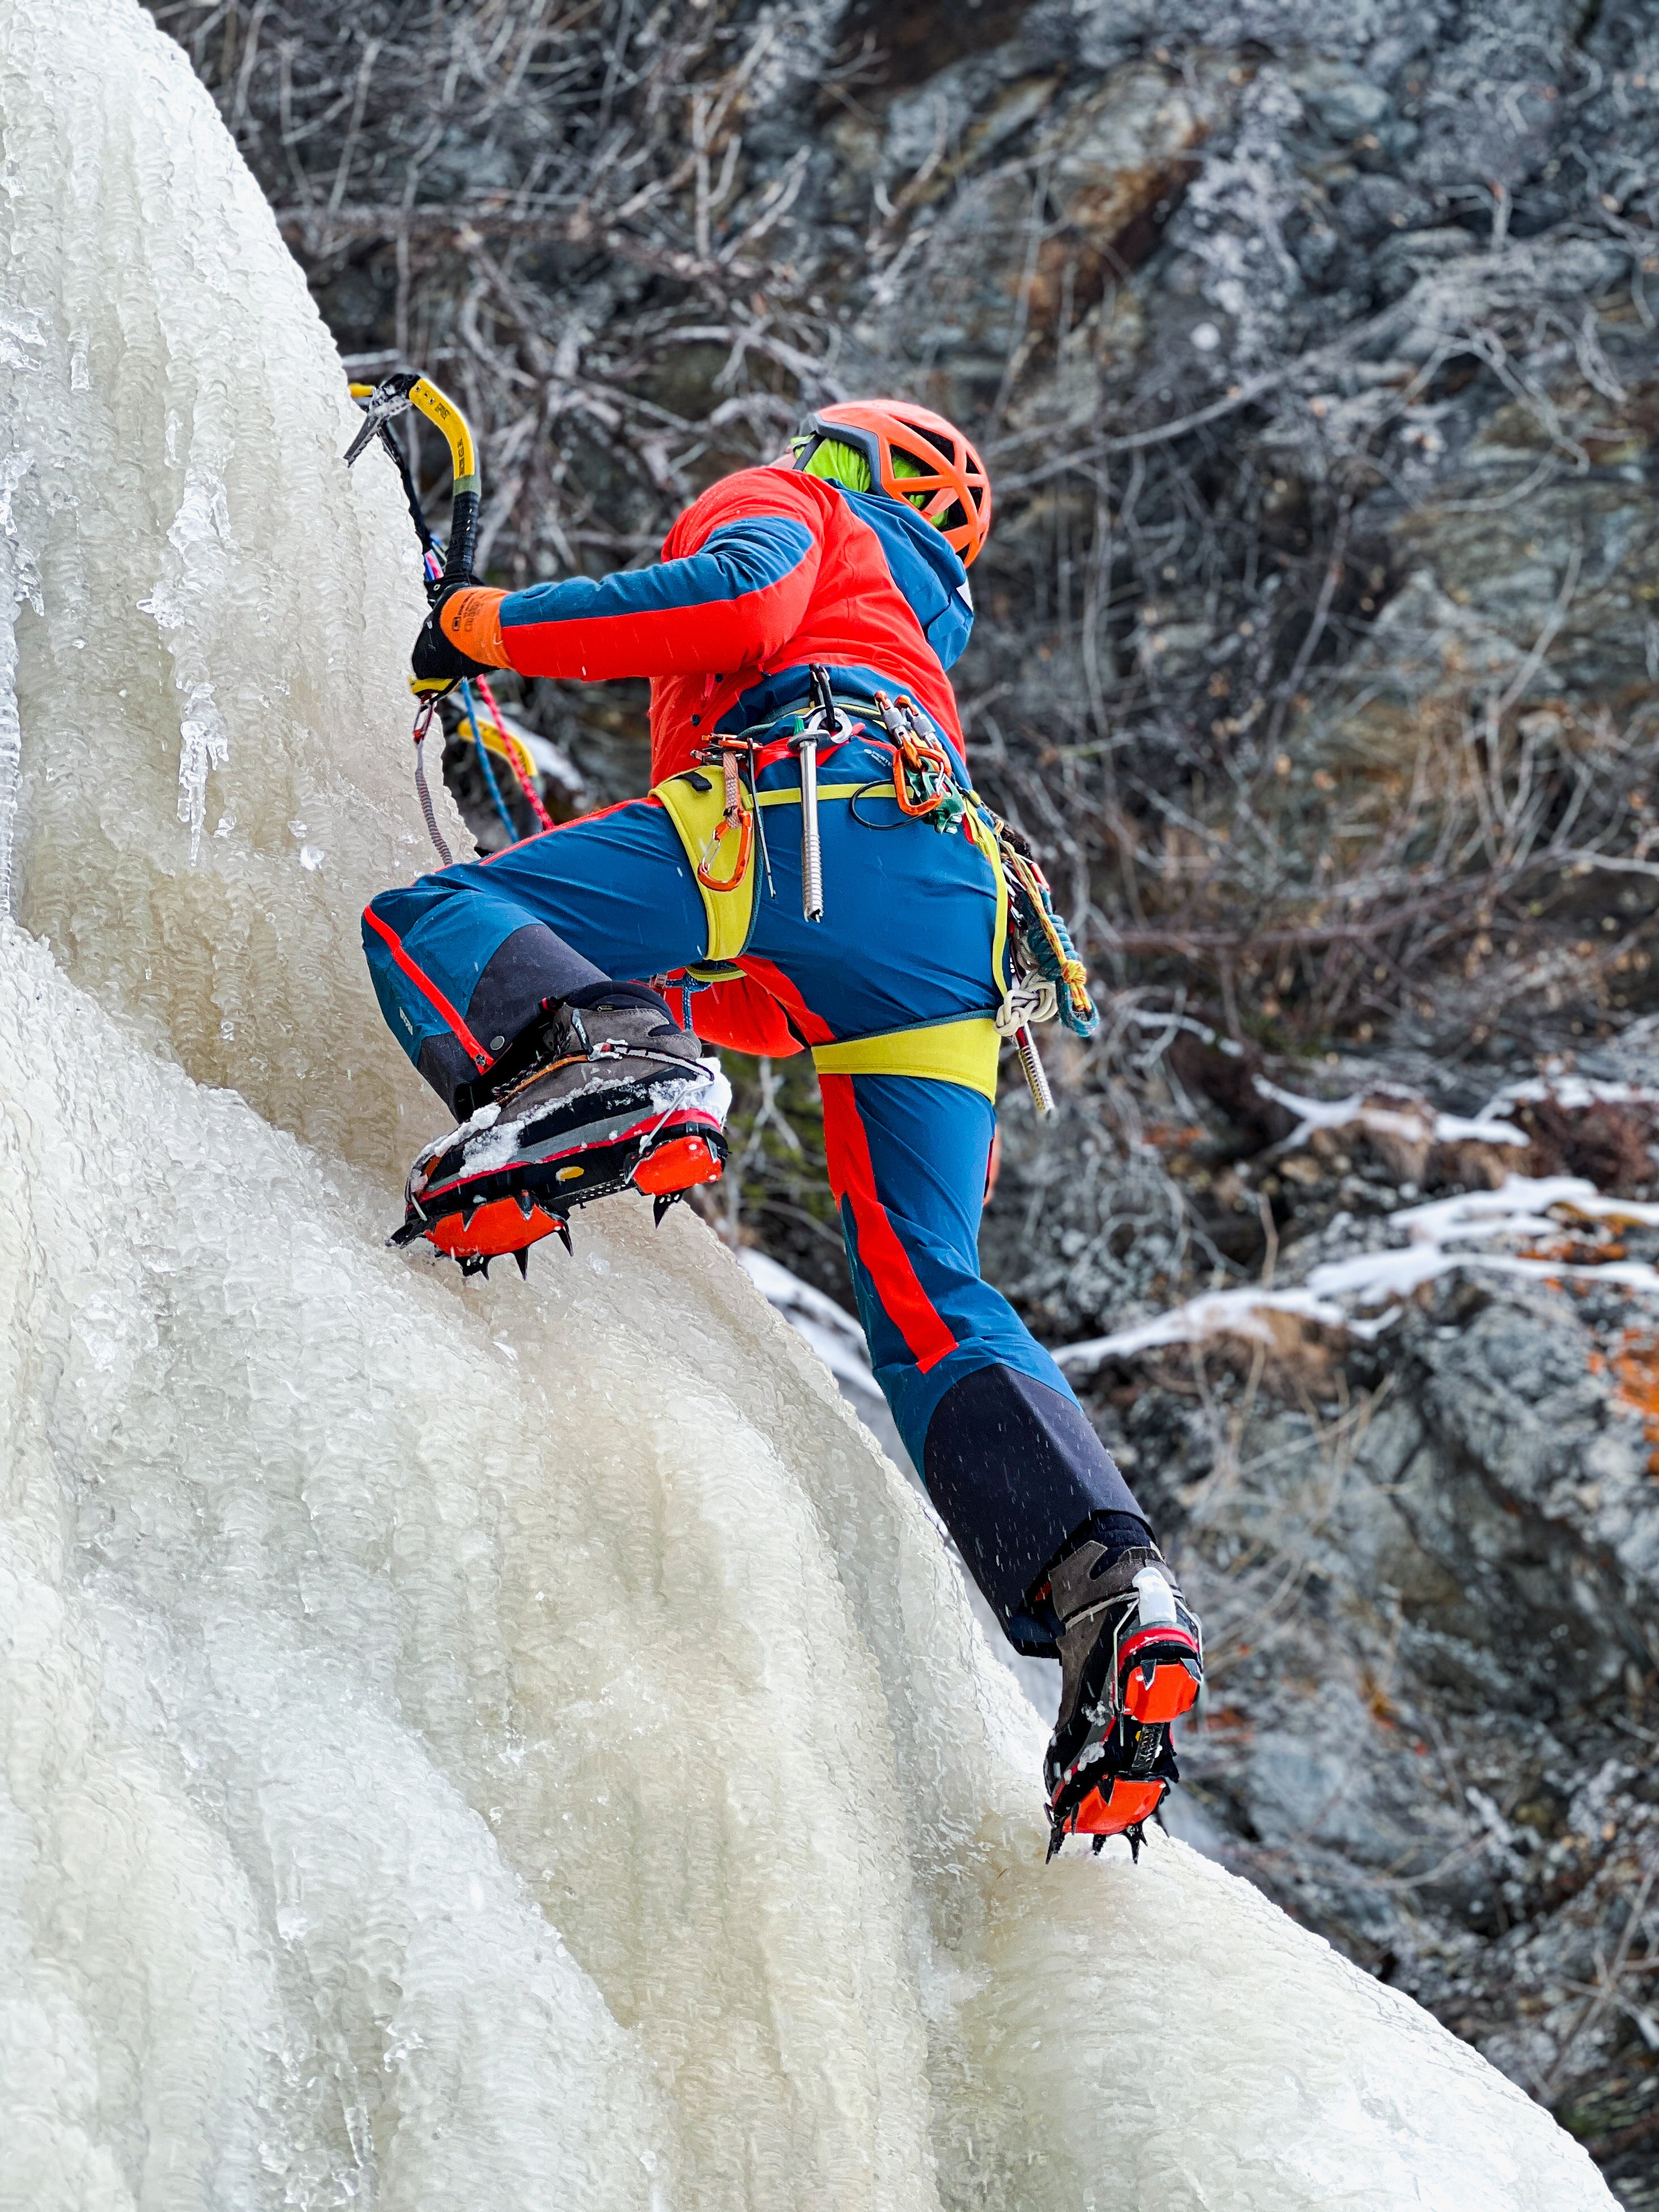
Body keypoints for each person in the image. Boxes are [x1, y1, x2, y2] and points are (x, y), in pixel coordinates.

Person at [360, 400, 1203, 1853]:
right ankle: (1104, 1589)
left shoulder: (793, 503)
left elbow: (731, 599)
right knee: (929, 1292)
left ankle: (595, 1059)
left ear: (848, 464)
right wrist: (666, 989)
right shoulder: (913, 635)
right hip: (946, 918)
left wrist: (477, 625)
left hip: (805, 810)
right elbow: (776, 986)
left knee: (433, 916)